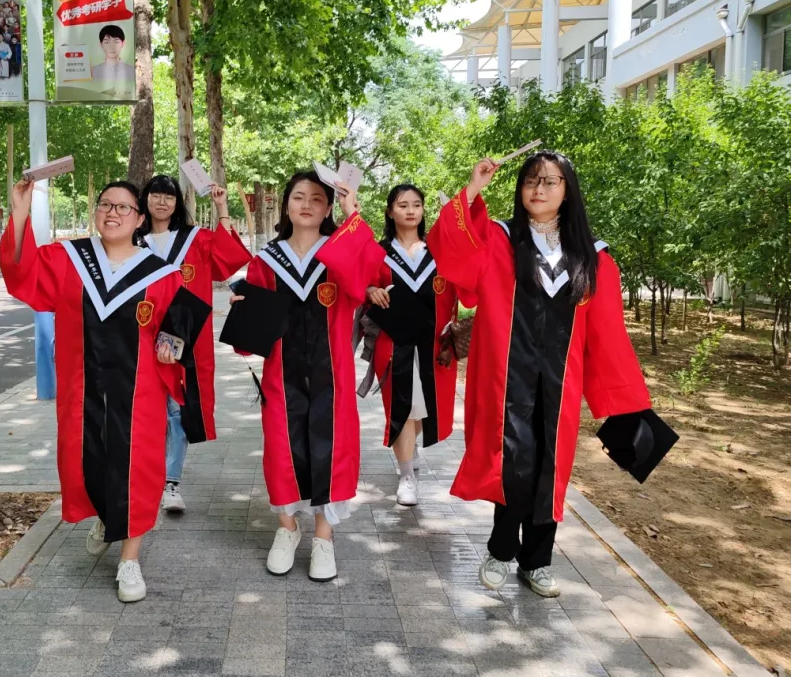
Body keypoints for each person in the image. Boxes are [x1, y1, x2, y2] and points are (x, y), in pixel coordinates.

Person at [431, 151, 653, 598]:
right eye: (531, 180)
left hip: (559, 382)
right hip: (507, 380)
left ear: (567, 191)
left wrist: (623, 402)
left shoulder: (592, 258)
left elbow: (607, 333)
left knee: (549, 468)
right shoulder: (499, 240)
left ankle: (537, 562)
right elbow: (451, 249)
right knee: (512, 463)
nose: (539, 189)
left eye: (551, 181)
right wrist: (473, 188)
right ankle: (500, 551)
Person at [0, 176, 208, 603]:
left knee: (139, 470)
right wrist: (20, 211)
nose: (113, 213)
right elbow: (22, 274)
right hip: (83, 392)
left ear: (138, 218)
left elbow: (177, 328)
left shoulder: (162, 273)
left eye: (123, 207)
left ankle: (129, 559)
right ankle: (107, 519)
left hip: (140, 394)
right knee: (87, 464)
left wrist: (171, 348)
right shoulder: (68, 258)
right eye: (105, 205)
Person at [230, 172, 384, 581]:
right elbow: (250, 336)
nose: (307, 205)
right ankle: (287, 528)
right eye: (299, 197)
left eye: (317, 199)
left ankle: (323, 536)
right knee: (282, 450)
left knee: (331, 450)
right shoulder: (266, 261)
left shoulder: (338, 253)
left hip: (332, 376)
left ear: (328, 208)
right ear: (286, 204)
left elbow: (365, 276)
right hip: (281, 377)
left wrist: (353, 215)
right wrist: (242, 312)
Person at [137, 175, 251, 513]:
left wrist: (221, 207)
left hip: (183, 333)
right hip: (141, 332)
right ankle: (147, 478)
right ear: (145, 199)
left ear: (178, 203)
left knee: (177, 408)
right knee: (145, 408)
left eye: (169, 196)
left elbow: (227, 260)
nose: (162, 202)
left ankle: (171, 483)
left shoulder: (194, 239)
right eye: (156, 195)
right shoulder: (132, 239)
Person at [364, 184, 458, 507]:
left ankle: (409, 448)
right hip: (394, 342)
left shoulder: (439, 250)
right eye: (402, 205)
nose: (410, 210)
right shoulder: (378, 252)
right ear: (390, 211)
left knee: (424, 407)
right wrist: (370, 290)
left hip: (432, 343)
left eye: (416, 204)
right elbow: (361, 281)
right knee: (401, 406)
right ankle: (407, 476)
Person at [91, 24, 135, 96]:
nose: (112, 47)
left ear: (123, 43)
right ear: (101, 44)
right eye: (107, 42)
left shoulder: (133, 71)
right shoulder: (93, 72)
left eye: (116, 42)